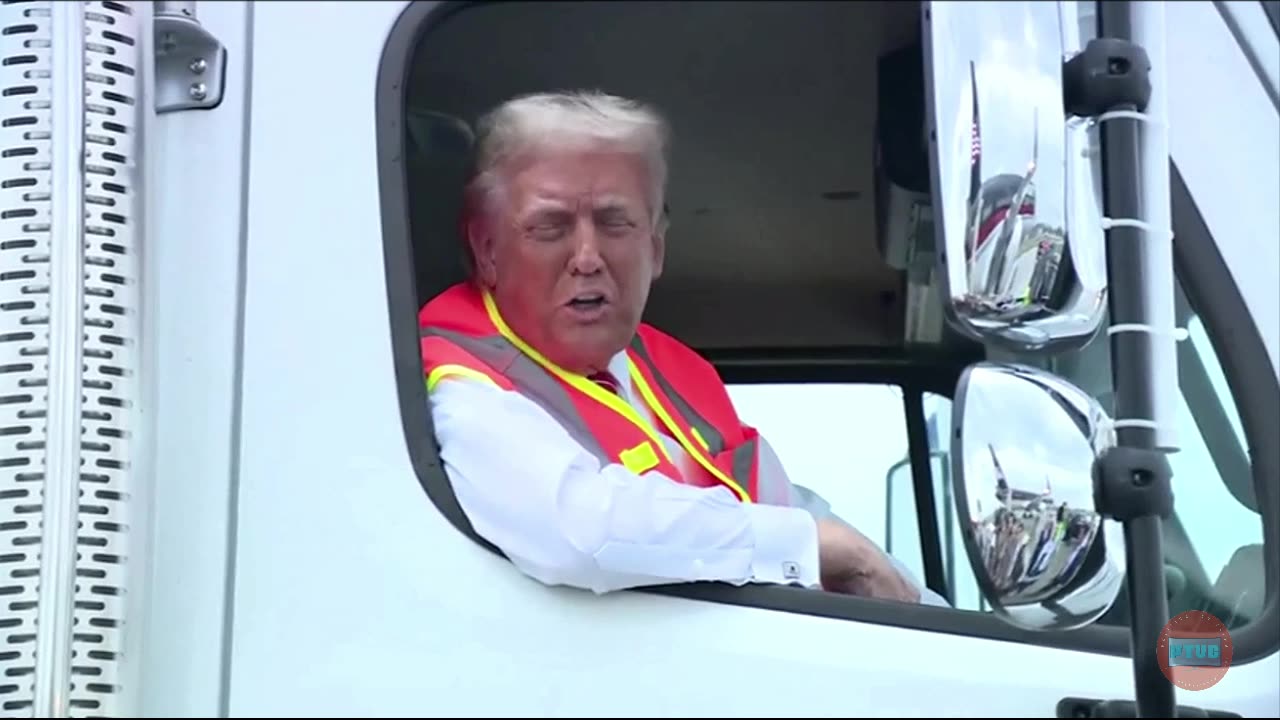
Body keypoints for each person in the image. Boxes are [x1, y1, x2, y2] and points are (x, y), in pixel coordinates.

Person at [418, 90, 947, 606]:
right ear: (486, 252)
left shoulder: (670, 370)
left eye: (614, 222)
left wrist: (933, 616)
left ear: (656, 248)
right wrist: (809, 546)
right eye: (550, 226)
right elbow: (579, 530)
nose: (586, 257)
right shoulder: (457, 376)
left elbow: (789, 507)